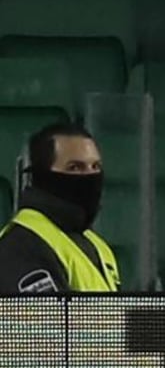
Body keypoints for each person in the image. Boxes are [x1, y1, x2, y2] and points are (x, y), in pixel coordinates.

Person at [0, 123, 119, 294]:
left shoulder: (96, 245)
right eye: (75, 167)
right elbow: (48, 320)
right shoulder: (22, 245)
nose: (90, 176)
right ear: (43, 176)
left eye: (95, 166)